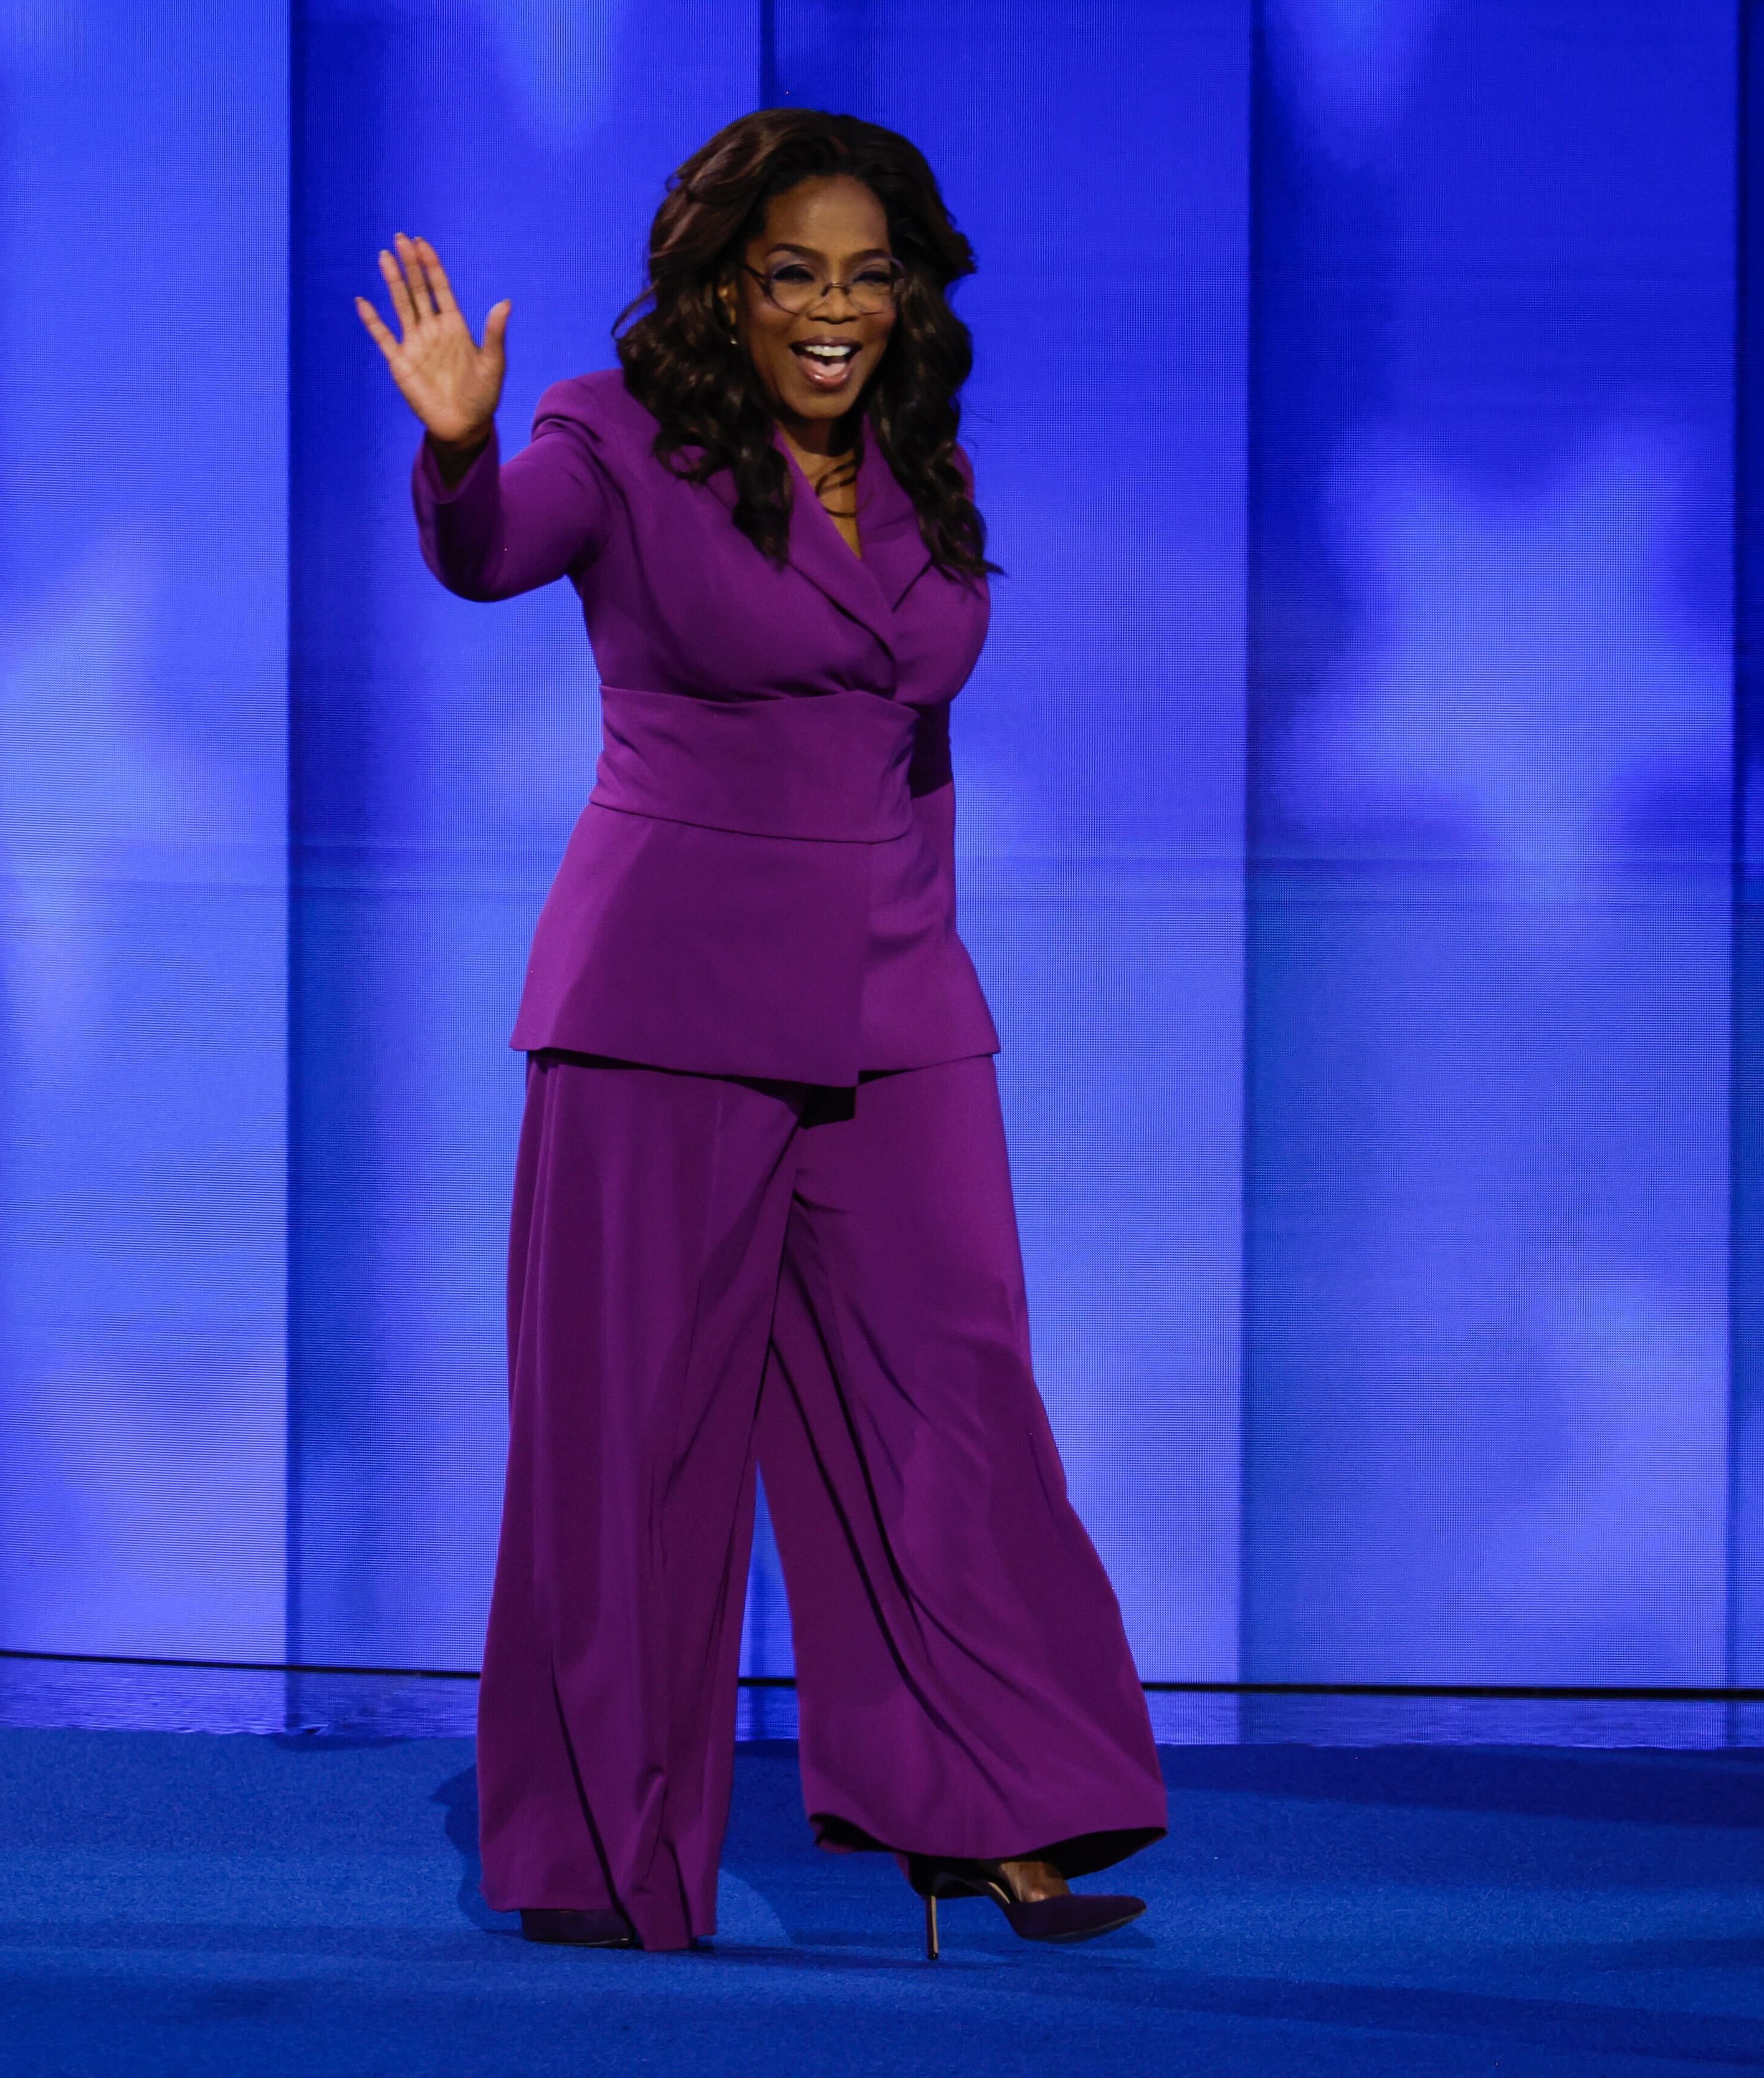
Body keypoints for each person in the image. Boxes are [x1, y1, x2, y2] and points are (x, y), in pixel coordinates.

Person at [357, 108, 1166, 1958]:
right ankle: (600, 1856)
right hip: (666, 1001)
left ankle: (995, 1814)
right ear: (727, 286)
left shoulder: (921, 453)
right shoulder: (604, 429)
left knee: (956, 1408)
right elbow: (496, 551)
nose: (834, 309)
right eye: (795, 273)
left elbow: (910, 728)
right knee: (630, 1433)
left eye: (868, 275)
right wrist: (459, 446)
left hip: (899, 1003)